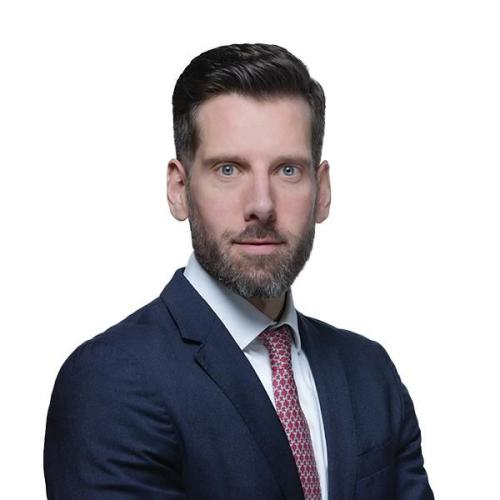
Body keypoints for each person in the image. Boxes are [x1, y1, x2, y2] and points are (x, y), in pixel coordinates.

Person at [44, 43, 434, 500]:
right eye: (228, 170)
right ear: (179, 189)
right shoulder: (111, 380)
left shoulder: (370, 372)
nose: (262, 205)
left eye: (288, 170)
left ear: (322, 191)